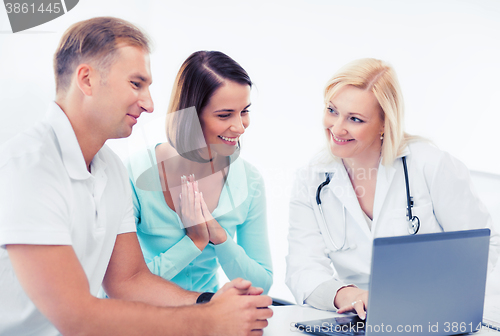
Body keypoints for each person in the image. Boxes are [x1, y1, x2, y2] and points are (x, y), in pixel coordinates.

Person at [0, 17, 272, 336]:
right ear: (86, 80)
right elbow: (75, 316)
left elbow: (129, 281)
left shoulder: (110, 169)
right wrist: (208, 320)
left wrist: (208, 303)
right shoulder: (29, 166)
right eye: (136, 84)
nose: (149, 104)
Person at [285, 58, 500, 320]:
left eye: (355, 119)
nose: (337, 128)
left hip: (434, 313)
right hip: (360, 317)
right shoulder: (312, 179)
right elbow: (302, 268)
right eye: (332, 110)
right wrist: (350, 295)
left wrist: (443, 297)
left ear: (385, 123)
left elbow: (485, 243)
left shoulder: (430, 165)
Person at [126, 51, 273, 294]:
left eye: (244, 111)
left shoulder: (250, 180)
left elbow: (261, 283)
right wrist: (193, 242)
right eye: (225, 115)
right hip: (143, 320)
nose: (239, 127)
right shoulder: (134, 174)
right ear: (190, 117)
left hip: (207, 316)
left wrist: (218, 235)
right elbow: (123, 284)